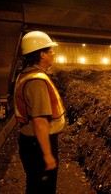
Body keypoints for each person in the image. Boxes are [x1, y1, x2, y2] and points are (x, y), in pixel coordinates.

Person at [14, 31, 66, 194]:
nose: (53, 55)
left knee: (35, 186)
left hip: (31, 142)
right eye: (51, 52)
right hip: (38, 143)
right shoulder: (37, 81)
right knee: (43, 189)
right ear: (42, 54)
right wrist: (47, 154)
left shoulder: (27, 74)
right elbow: (40, 121)